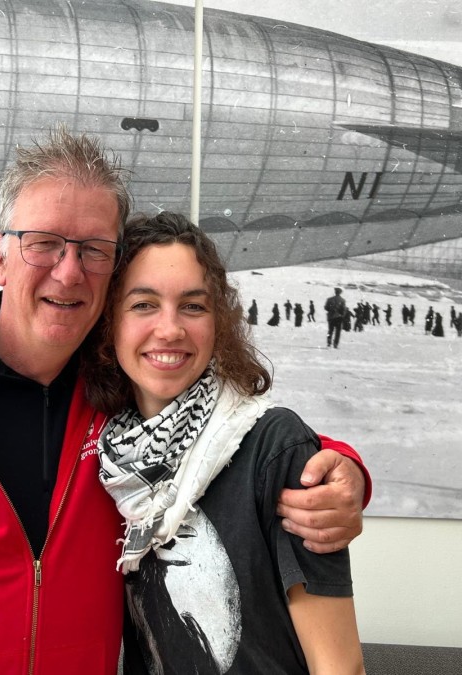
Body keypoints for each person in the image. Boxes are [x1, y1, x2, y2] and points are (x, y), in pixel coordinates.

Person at [0, 128, 368, 675]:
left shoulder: (119, 398)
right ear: (0, 255)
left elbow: (227, 435)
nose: (69, 270)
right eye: (44, 243)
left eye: (94, 249)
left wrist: (340, 470)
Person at [84, 213, 365, 674]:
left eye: (193, 306)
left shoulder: (276, 449)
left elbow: (340, 667)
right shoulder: (111, 457)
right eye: (143, 304)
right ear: (109, 321)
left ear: (218, 321)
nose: (170, 329)